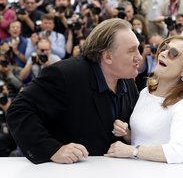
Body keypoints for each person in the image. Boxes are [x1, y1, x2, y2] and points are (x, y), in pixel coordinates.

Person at [7, 18, 142, 164]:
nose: (139, 57)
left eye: (138, 49)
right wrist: (53, 149)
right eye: (131, 51)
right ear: (107, 56)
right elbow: (18, 110)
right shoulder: (65, 74)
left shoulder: (127, 80)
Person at [104, 36, 183, 164]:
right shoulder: (145, 92)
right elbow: (143, 141)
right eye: (164, 48)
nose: (163, 53)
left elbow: (177, 152)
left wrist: (132, 151)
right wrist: (126, 133)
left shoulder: (181, 104)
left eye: (173, 53)